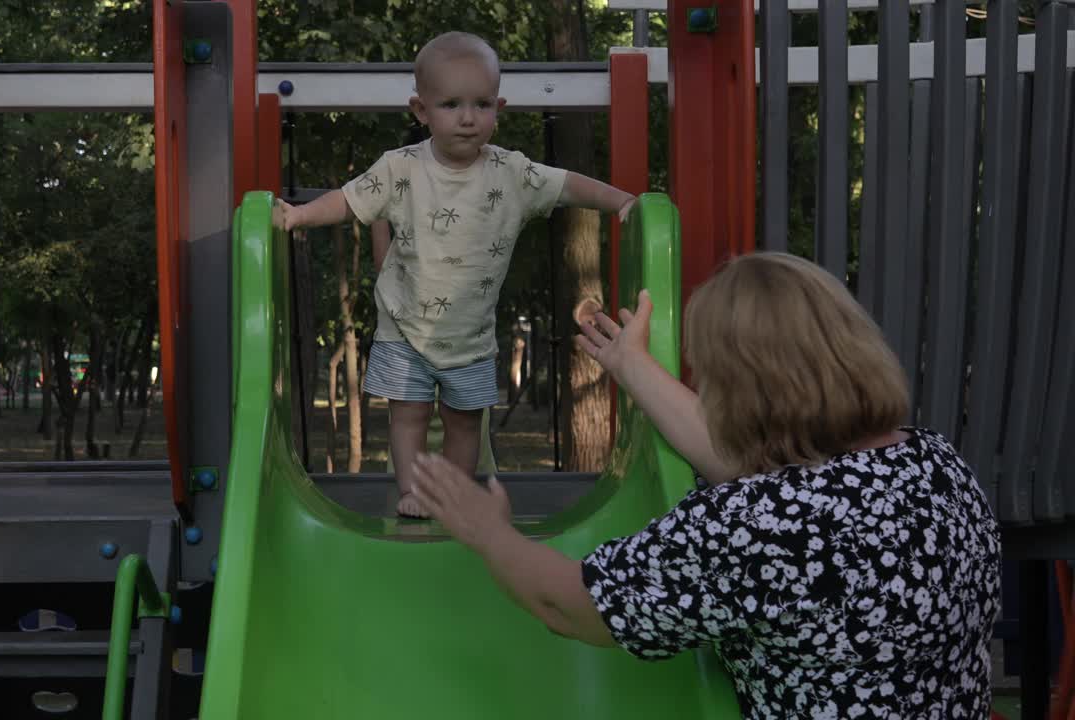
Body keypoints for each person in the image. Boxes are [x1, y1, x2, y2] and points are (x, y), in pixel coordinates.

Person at [410, 252, 1002, 718]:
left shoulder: (754, 526)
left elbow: (570, 606)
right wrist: (632, 365)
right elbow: (772, 483)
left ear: (739, 388)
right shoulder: (933, 462)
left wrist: (489, 533)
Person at [277, 31, 634, 518]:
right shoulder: (400, 168)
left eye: (481, 103)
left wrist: (621, 202)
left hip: (470, 334)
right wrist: (298, 215)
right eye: (450, 104)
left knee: (466, 422)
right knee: (408, 416)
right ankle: (414, 492)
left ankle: (456, 496)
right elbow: (347, 199)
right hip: (404, 328)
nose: (468, 117)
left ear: (499, 107)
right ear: (421, 110)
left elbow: (569, 185)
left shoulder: (512, 173)